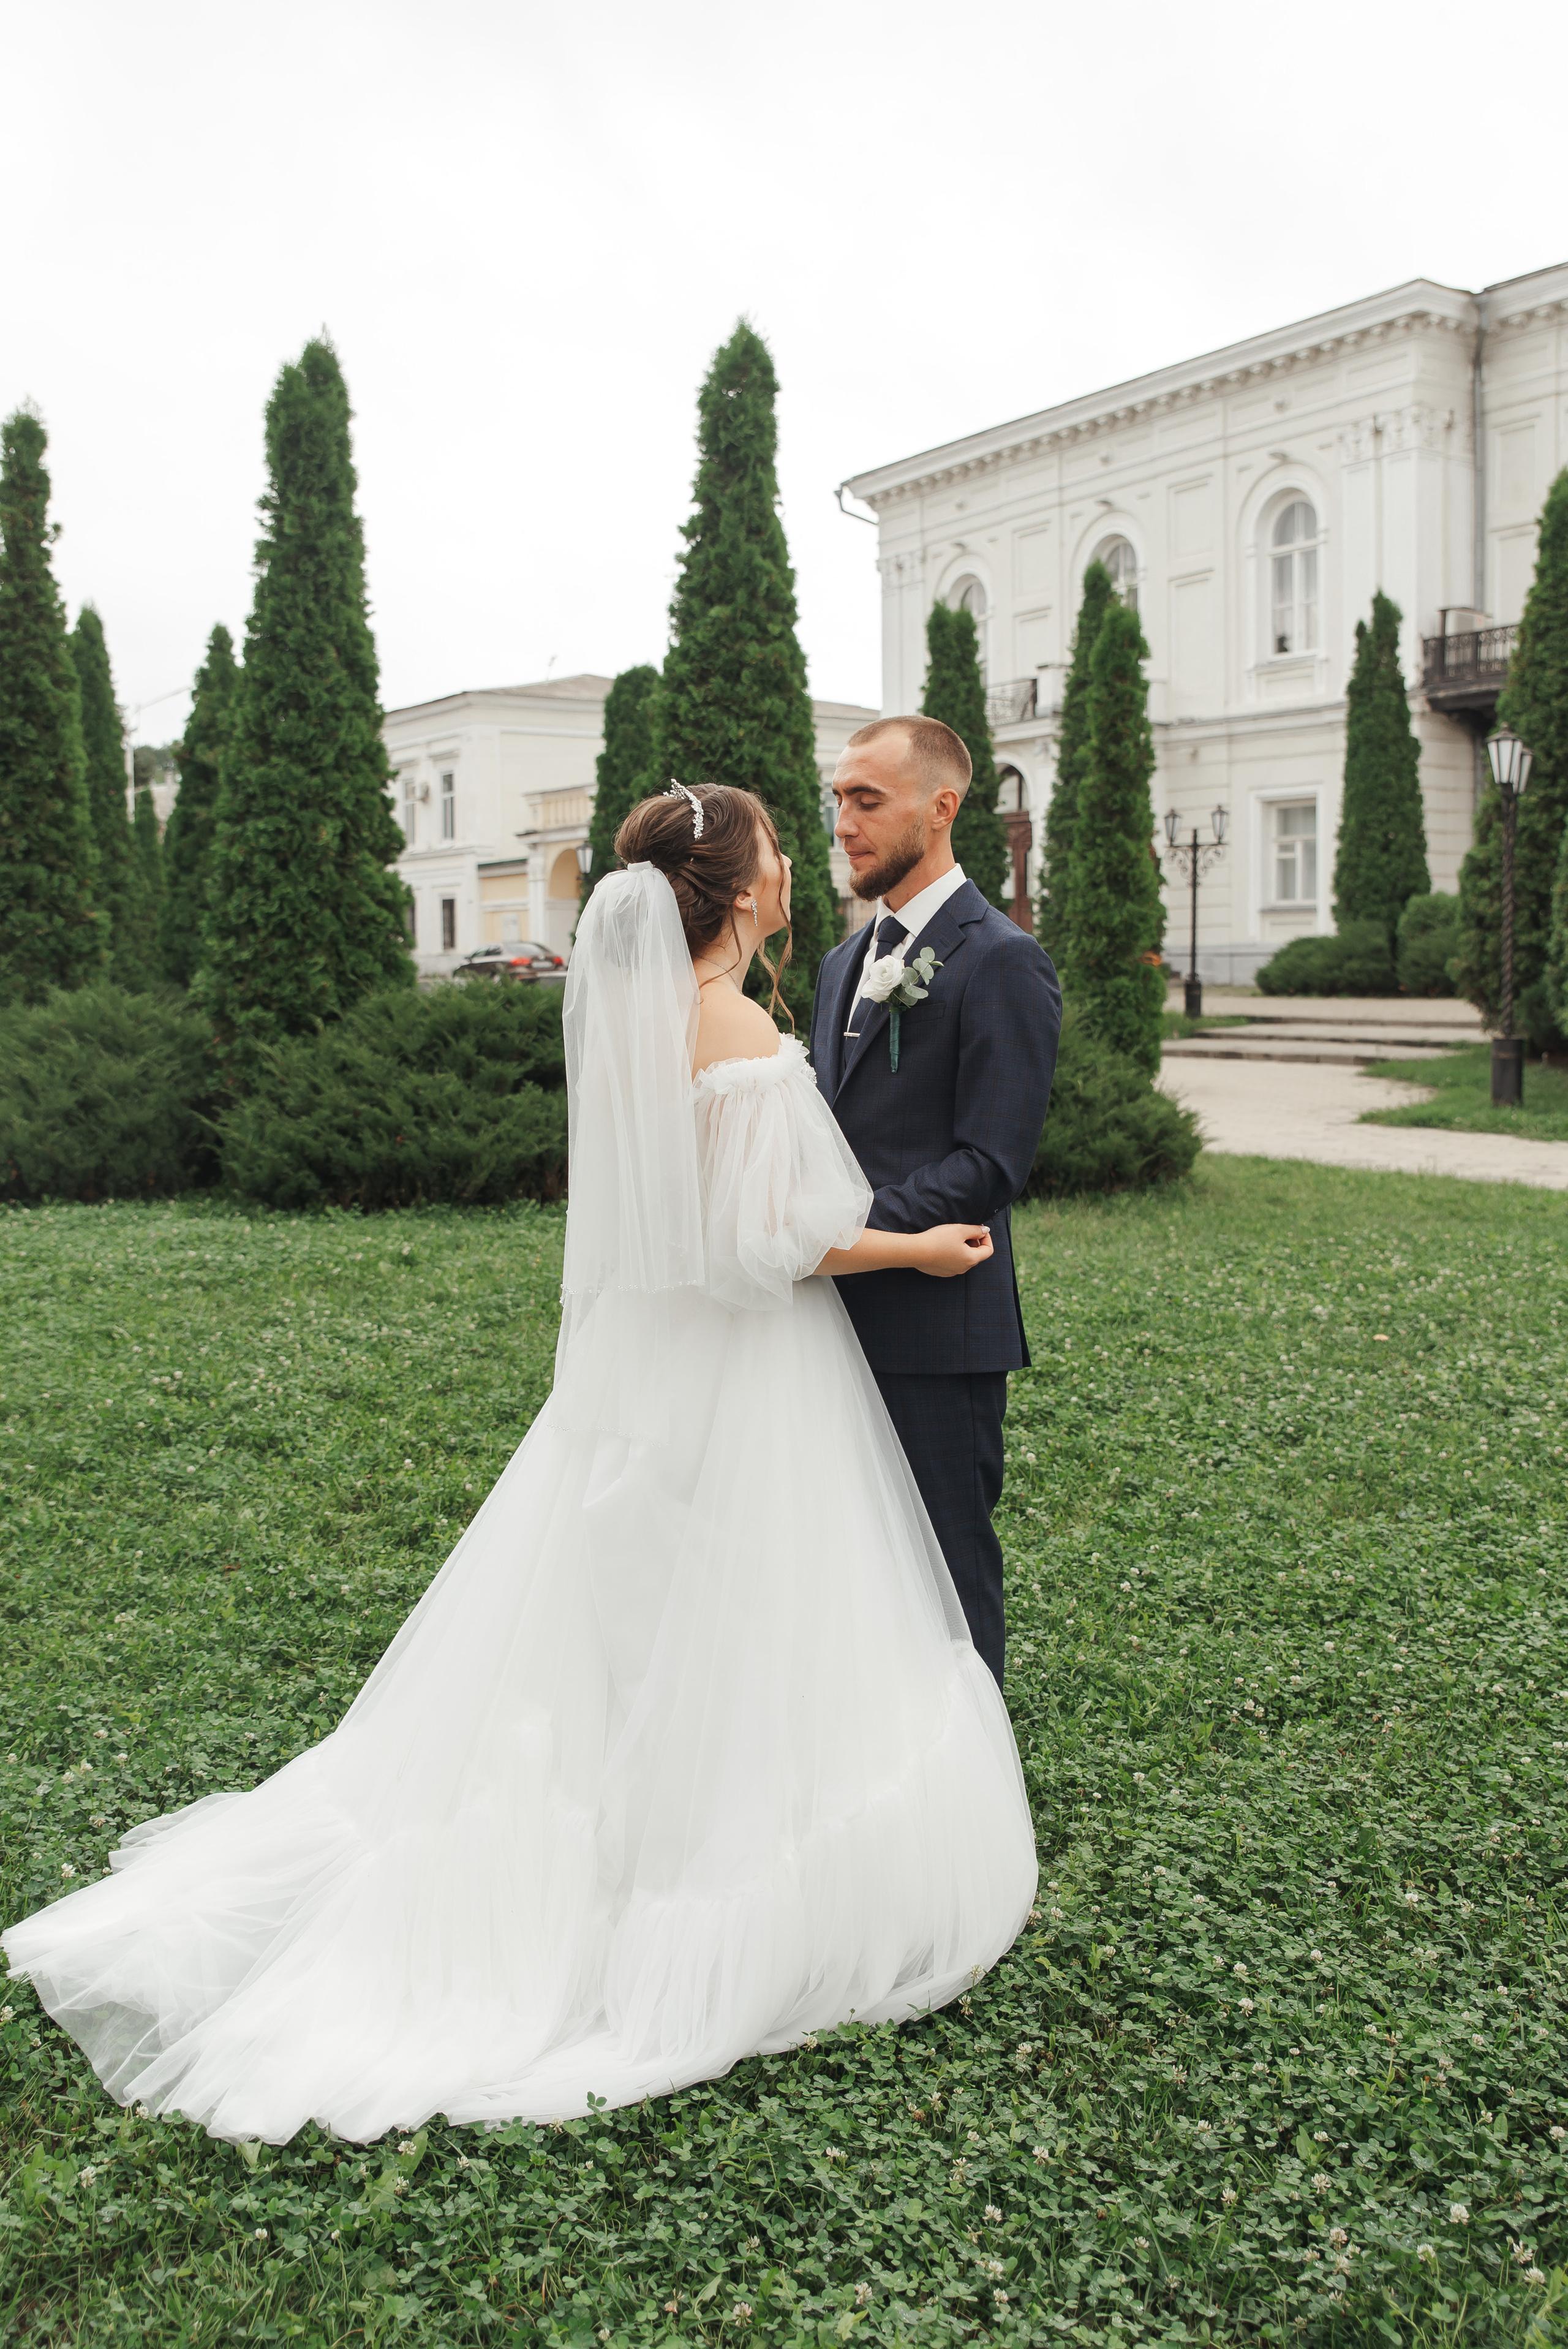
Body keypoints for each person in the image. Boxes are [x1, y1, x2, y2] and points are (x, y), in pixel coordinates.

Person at [3, 781, 1038, 2146]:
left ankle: (605, 1834)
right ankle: (688, 1881)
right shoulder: (731, 1024)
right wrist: (912, 1246)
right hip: (744, 1366)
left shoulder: (640, 1024)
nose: (797, 862)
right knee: (741, 1606)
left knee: (627, 1616)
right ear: (740, 890)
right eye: (780, 848)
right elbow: (764, 1240)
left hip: (647, 1369)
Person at [810, 718, 1061, 1690]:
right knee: (848, 1565)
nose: (844, 822)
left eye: (867, 799)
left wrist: (845, 1226)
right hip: (825, 1321)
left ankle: (974, 1764)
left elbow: (991, 1161)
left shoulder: (1002, 960)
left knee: (947, 1573)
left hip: (937, 1331)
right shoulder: (841, 963)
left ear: (941, 807)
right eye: (838, 799)